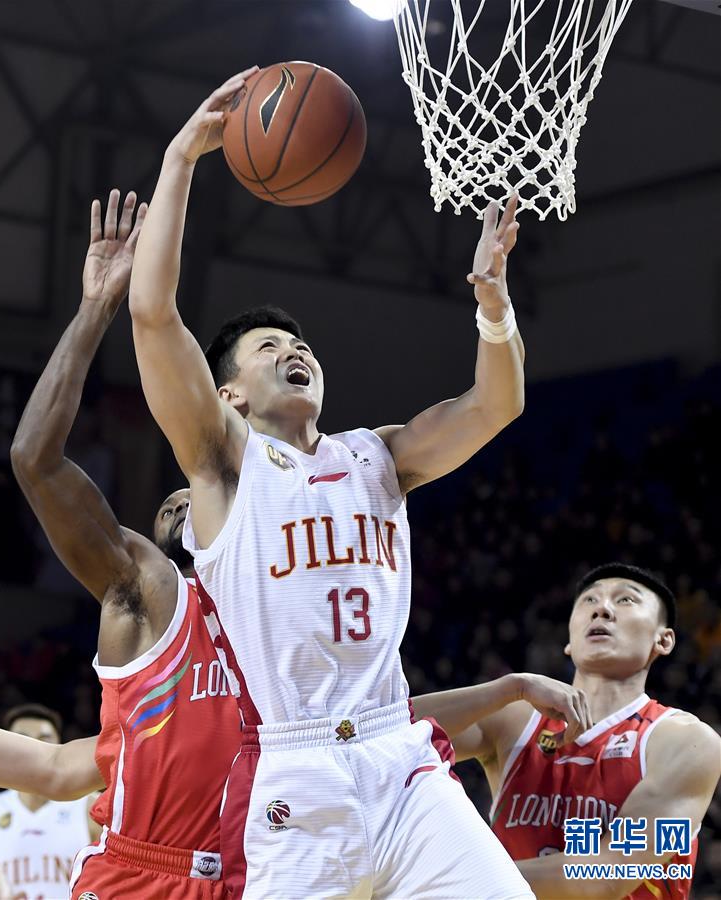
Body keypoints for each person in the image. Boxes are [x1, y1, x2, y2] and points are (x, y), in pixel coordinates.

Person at [128, 66, 539, 899]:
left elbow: (494, 404)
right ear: (229, 394)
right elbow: (153, 314)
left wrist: (492, 307)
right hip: (298, 773)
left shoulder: (377, 455)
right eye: (268, 348)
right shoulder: (222, 461)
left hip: (401, 760)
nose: (294, 350)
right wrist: (179, 160)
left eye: (301, 345)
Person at [10, 191, 241, 899]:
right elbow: (35, 460)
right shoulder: (149, 587)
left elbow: (390, 717)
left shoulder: (282, 609)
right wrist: (95, 309)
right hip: (139, 876)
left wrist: (507, 688)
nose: (180, 504)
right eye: (172, 504)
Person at [413, 563, 721, 899]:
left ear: (664, 640)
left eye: (626, 600)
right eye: (589, 601)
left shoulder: (688, 741)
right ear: (570, 641)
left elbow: (604, 877)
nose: (602, 609)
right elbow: (386, 734)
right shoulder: (514, 718)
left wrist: (447, 879)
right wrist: (509, 687)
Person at [0, 704, 99, 900]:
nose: (33, 748)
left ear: (60, 745)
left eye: (44, 740)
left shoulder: (90, 806)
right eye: (22, 740)